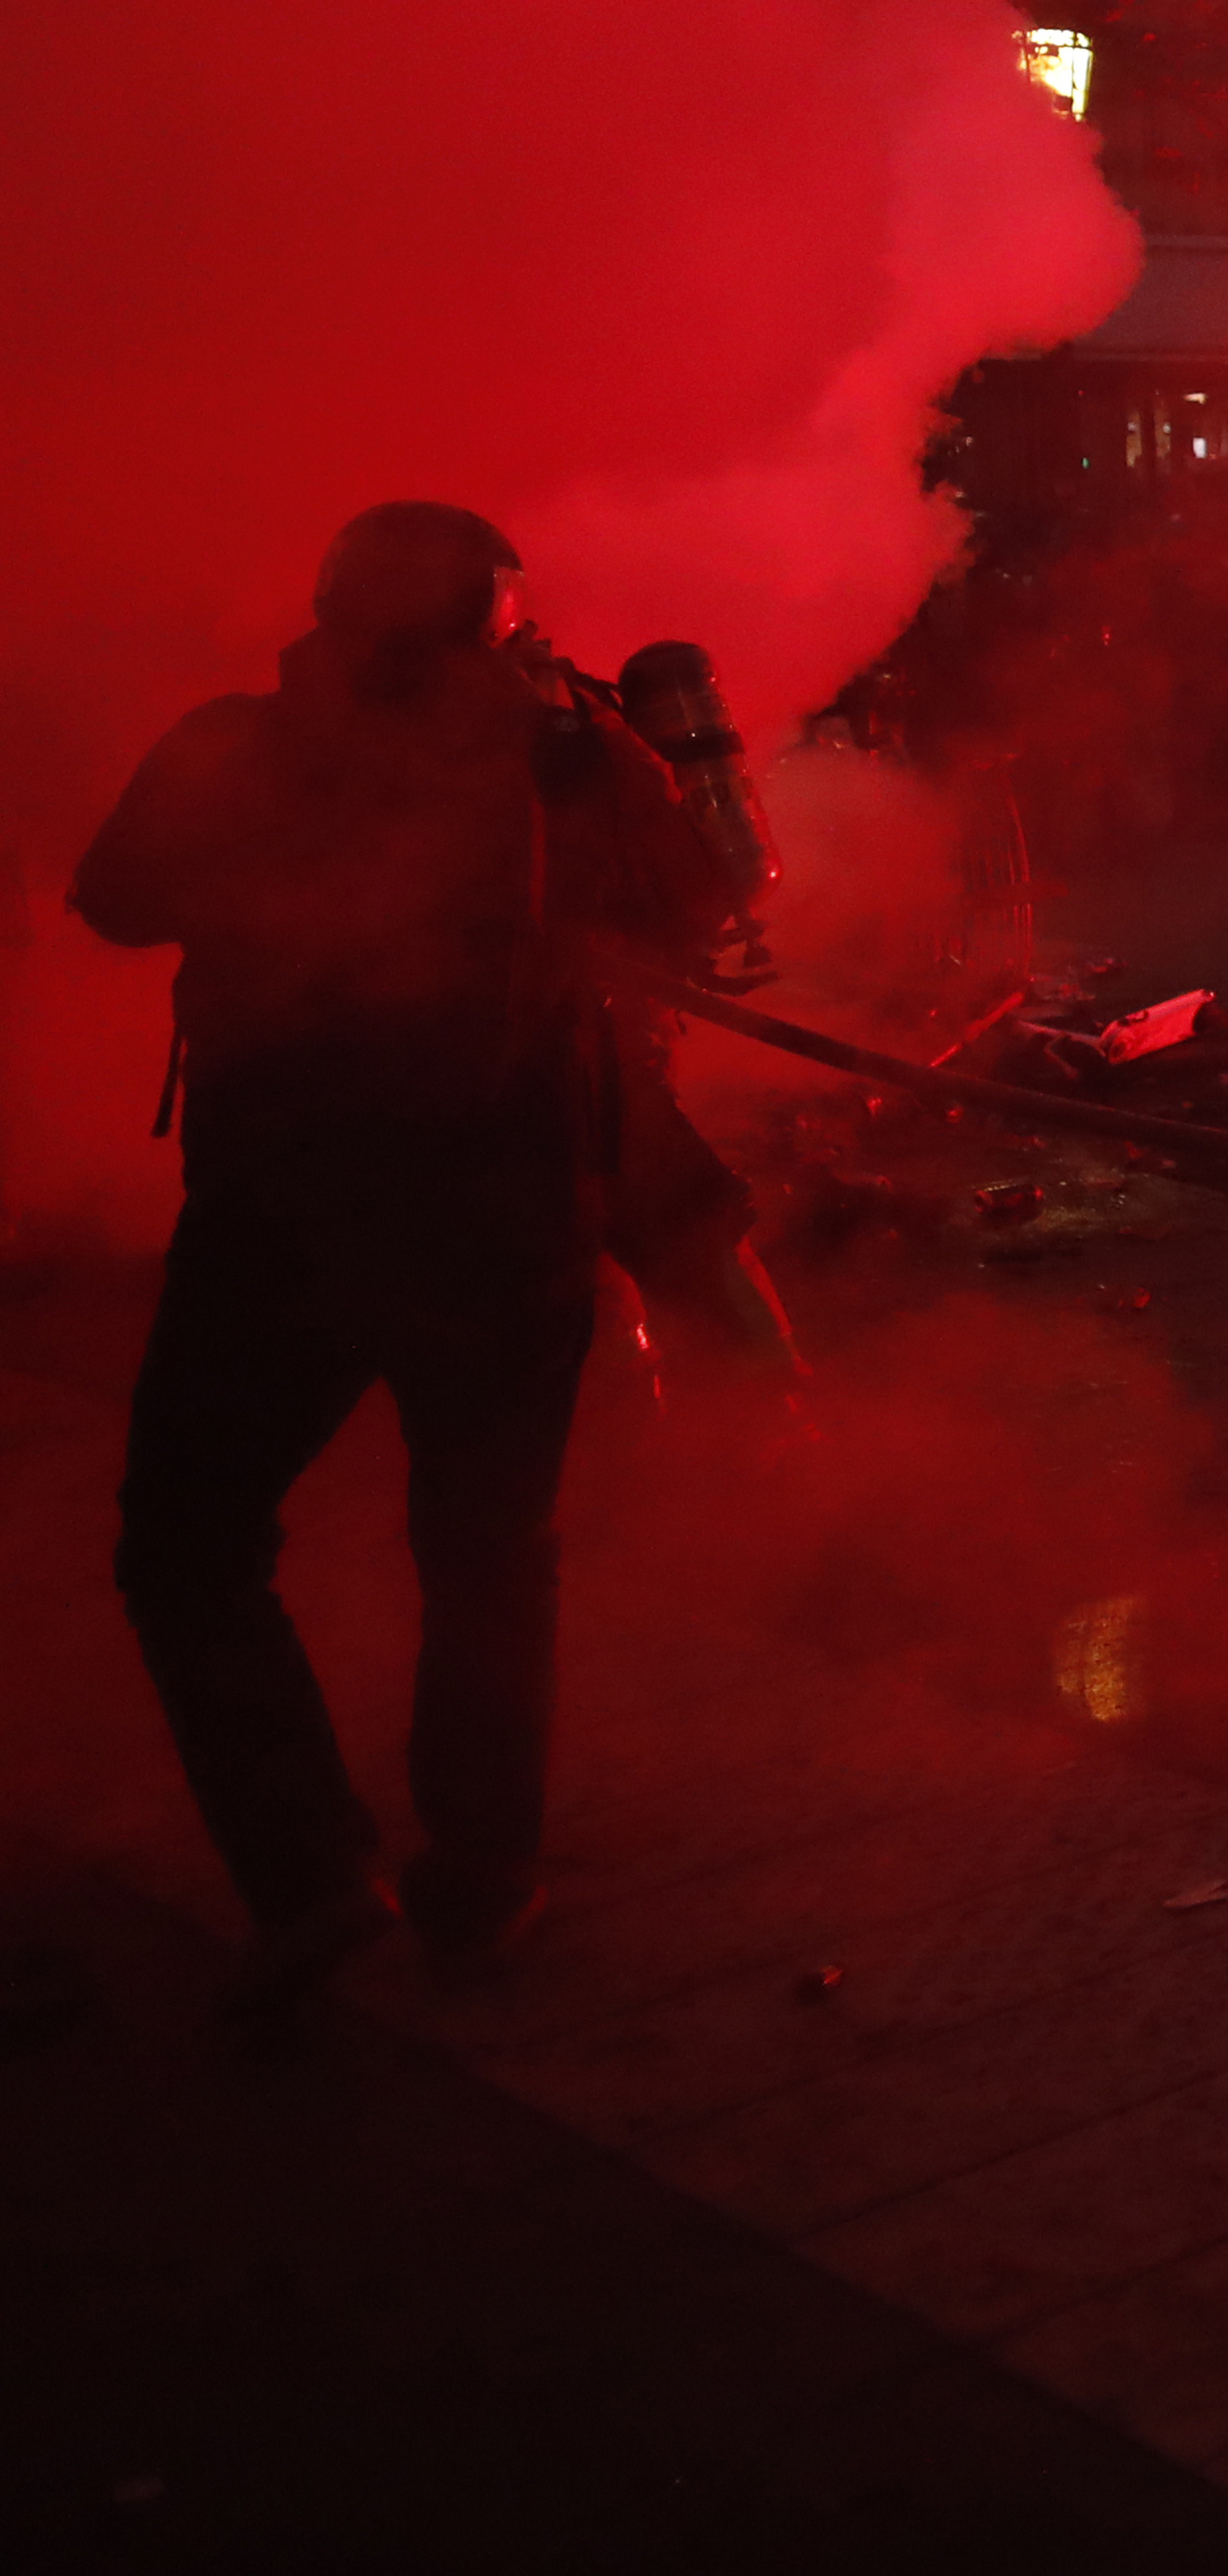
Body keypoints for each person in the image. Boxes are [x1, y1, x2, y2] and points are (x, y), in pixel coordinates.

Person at [72, 503, 738, 2004]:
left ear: (330, 608)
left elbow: (111, 896)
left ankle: (306, 1873)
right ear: (501, 617)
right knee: (489, 1553)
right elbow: (706, 905)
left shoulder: (233, 741)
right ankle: (484, 1870)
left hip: (281, 1217)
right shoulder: (568, 749)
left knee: (186, 1545)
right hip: (507, 1220)